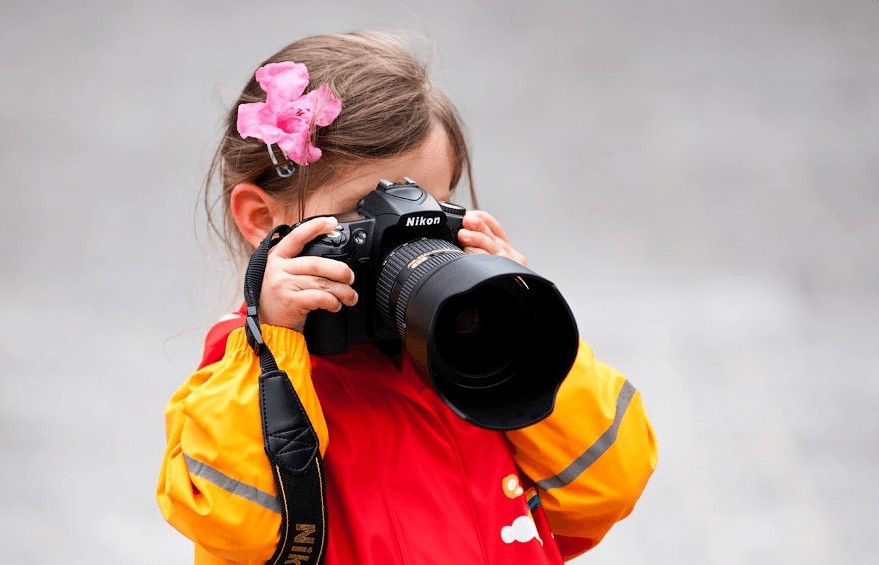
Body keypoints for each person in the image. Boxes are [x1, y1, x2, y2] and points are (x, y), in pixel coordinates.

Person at [157, 31, 657, 565]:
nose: (410, 232)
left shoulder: (475, 349)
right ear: (262, 219)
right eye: (364, 210)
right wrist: (274, 349)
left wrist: (526, 332)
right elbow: (236, 529)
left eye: (432, 204)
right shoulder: (244, 374)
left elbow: (607, 487)